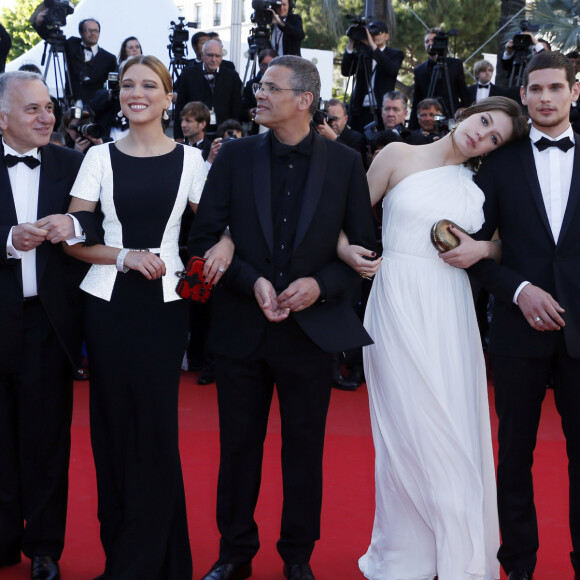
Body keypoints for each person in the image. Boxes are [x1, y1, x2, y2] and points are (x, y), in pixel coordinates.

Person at [189, 54, 377, 580]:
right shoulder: (234, 157)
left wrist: (319, 285)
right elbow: (203, 241)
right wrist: (253, 282)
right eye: (260, 86)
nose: (259, 94)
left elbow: (365, 251)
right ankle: (234, 554)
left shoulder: (345, 163)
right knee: (238, 448)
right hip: (240, 327)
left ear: (304, 99)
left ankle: (298, 556)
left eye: (271, 87)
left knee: (304, 451)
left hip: (311, 333)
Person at [338, 96, 529, 580]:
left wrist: (483, 246)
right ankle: (407, 557)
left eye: (494, 138)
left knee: (450, 423)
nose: (480, 135)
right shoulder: (396, 154)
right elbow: (343, 218)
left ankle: (457, 552)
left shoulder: (479, 185)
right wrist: (347, 253)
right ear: (468, 112)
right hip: (395, 299)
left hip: (449, 307)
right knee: (404, 428)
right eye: (484, 121)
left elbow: (516, 244)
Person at [63, 55, 208, 579]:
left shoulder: (193, 162)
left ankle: (159, 560)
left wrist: (209, 266)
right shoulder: (98, 157)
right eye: (127, 85)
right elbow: (75, 238)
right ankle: (123, 558)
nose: (136, 93)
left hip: (165, 310)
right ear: (118, 95)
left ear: (170, 98)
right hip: (107, 306)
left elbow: (217, 229)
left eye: (150, 85)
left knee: (155, 432)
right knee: (112, 432)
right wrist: (123, 255)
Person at [464, 51, 580, 580]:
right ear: (524, 95)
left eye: (556, 88)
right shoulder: (498, 164)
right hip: (516, 331)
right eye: (535, 90)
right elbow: (475, 249)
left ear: (574, 91)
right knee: (514, 456)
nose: (546, 98)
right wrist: (520, 289)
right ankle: (520, 565)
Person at [0, 71, 88, 580]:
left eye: (48, 107)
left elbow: (103, 220)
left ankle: (44, 549)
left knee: (47, 442)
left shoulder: (73, 165)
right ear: (4, 118)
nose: (46, 117)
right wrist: (8, 241)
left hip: (49, 326)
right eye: (32, 109)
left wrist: (74, 225)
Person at [341, 20, 404, 133]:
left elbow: (391, 69)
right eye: (371, 33)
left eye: (377, 32)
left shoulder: (395, 54)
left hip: (382, 108)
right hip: (360, 108)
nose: (374, 36)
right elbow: (346, 71)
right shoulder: (363, 52)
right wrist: (351, 44)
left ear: (387, 36)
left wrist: (372, 46)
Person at [173, 39, 243, 140]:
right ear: (202, 55)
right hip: (195, 132)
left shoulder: (232, 76)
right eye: (210, 55)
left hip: (224, 133)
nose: (214, 59)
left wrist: (235, 133)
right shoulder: (189, 74)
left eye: (217, 56)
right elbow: (180, 106)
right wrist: (178, 136)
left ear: (222, 57)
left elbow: (236, 108)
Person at [409, 28, 470, 129]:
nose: (430, 43)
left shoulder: (455, 65)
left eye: (433, 40)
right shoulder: (419, 70)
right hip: (429, 121)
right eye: (426, 41)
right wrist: (411, 129)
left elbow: (464, 94)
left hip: (451, 118)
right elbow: (417, 100)